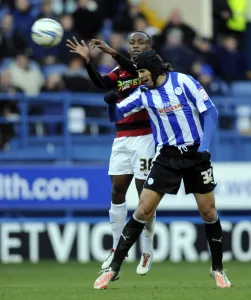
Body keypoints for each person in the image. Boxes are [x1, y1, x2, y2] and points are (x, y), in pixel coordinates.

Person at [93, 50, 232, 289]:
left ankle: (217, 269)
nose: (141, 77)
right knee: (143, 209)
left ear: (155, 69)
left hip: (196, 154)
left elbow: (210, 112)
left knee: (208, 212)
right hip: (166, 156)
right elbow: (116, 115)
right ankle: (114, 268)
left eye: (143, 72)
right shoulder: (144, 94)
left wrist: (205, 147)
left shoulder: (183, 81)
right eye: (138, 73)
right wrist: (110, 103)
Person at [66, 32, 156, 275]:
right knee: (117, 190)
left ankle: (146, 251)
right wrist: (88, 61)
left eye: (141, 43)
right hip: (122, 138)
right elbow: (102, 83)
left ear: (150, 47)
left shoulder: (150, 68)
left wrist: (110, 51)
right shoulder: (121, 71)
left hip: (145, 138)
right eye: (132, 43)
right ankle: (117, 249)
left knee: (144, 198)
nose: (136, 46)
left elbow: (134, 65)